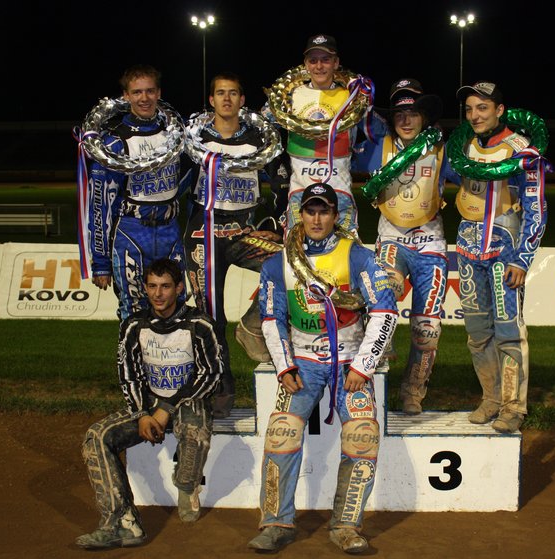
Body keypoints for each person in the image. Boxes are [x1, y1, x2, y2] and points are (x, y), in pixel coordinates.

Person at [247, 183, 398, 554]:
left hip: (349, 361)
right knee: (281, 434)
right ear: (300, 215)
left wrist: (363, 365)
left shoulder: (357, 256)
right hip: (302, 362)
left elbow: (385, 311)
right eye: (310, 211)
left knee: (363, 435)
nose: (317, 219)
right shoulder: (278, 263)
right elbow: (271, 318)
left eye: (324, 211)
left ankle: (346, 526)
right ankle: (276, 523)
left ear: (335, 215)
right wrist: (284, 367)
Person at [76, 258, 223, 549]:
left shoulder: (200, 324)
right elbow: (128, 375)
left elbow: (211, 376)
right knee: (97, 436)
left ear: (179, 288)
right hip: (148, 406)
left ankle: (186, 482)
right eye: (152, 286)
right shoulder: (134, 325)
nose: (158, 293)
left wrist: (166, 409)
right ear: (144, 288)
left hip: (187, 403)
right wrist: (143, 414)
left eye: (165, 286)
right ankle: (122, 523)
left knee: (195, 421)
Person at [181, 72, 289, 418]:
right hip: (202, 235)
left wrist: (276, 225)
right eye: (220, 93)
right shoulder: (195, 140)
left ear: (242, 101)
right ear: (211, 100)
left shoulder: (259, 139)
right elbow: (175, 181)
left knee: (291, 267)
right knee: (209, 317)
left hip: (243, 232)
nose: (226, 99)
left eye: (233, 93)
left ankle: (252, 325)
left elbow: (282, 182)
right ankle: (219, 386)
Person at [445, 81, 548, 433]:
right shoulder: (462, 147)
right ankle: (491, 397)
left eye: (482, 108)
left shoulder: (523, 151)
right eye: (469, 109)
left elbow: (536, 209)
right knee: (476, 332)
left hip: (506, 253)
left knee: (508, 331)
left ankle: (513, 407)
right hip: (467, 250)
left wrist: (523, 259)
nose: (474, 115)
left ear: (500, 110)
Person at [353, 78, 447, 415]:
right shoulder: (378, 147)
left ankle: (413, 392)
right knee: (382, 305)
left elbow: (475, 178)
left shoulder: (441, 149)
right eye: (399, 114)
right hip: (392, 241)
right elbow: (339, 159)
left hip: (431, 245)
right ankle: (372, 385)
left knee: (427, 330)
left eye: (413, 113)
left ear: (425, 117)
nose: (406, 120)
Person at [87, 65, 184, 320]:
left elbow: (188, 180)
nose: (144, 98)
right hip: (132, 232)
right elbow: (99, 205)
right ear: (126, 96)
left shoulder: (175, 135)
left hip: (170, 231)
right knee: (133, 310)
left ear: (159, 93)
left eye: (150, 91)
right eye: (137, 92)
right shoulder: (113, 142)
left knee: (177, 308)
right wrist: (100, 262)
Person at [274, 34, 379, 234]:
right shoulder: (290, 96)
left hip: (339, 194)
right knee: (296, 252)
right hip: (300, 194)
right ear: (306, 64)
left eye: (325, 59)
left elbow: (378, 130)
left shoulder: (352, 96)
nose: (319, 66)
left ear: (336, 63)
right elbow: (261, 126)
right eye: (313, 60)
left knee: (344, 251)